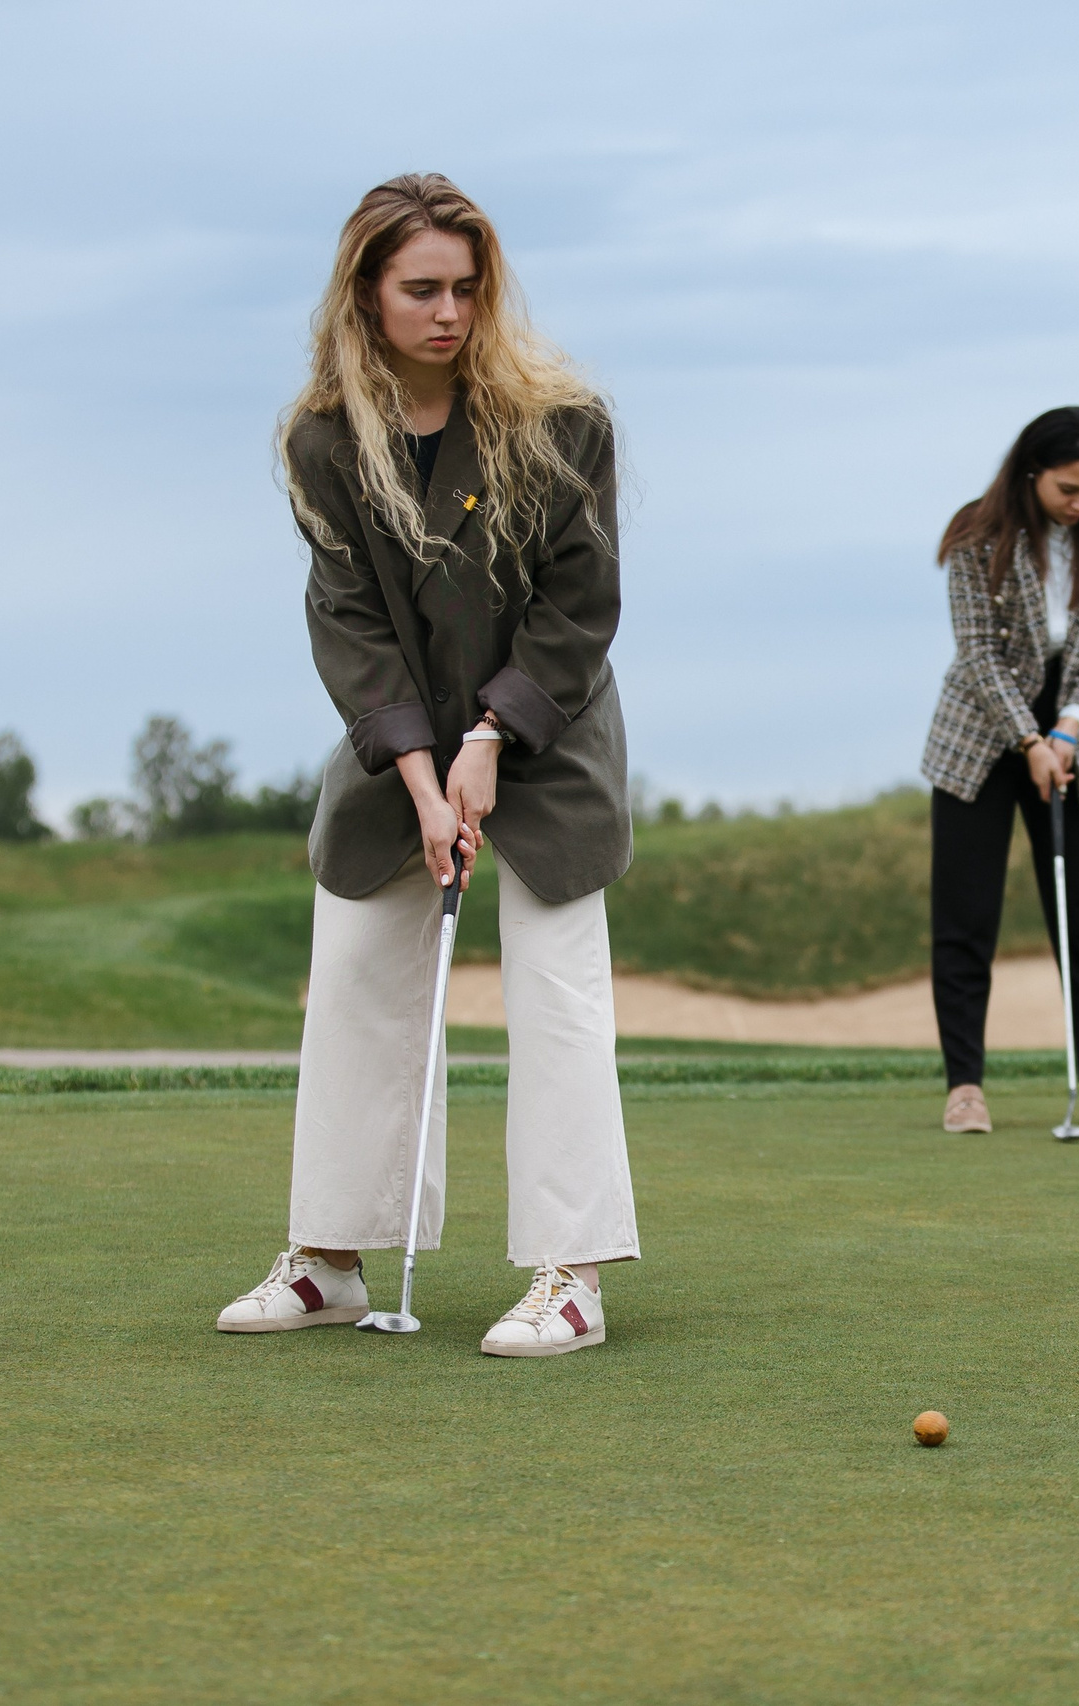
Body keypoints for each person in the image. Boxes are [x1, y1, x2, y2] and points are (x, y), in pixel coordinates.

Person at [216, 173, 637, 1356]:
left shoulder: (564, 421)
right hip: (396, 734)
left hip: (546, 731)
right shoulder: (321, 442)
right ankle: (332, 1258)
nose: (448, 311)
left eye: (465, 287)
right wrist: (418, 771)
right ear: (366, 294)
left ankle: (570, 1274)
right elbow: (344, 616)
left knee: (556, 992)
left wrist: (494, 739)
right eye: (421, 289)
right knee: (353, 968)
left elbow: (581, 604)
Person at [923, 407, 1079, 1136]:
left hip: (1072, 739)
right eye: (1070, 488)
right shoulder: (978, 534)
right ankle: (964, 1087)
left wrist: (1067, 728)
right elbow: (978, 655)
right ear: (1032, 472)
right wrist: (1028, 739)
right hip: (979, 741)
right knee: (967, 922)